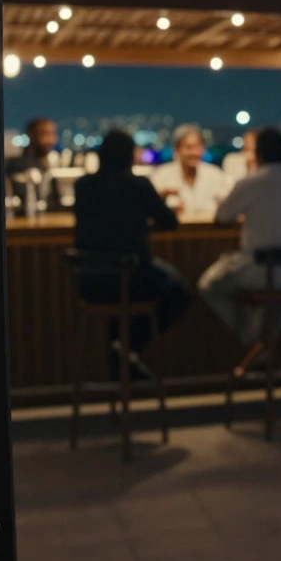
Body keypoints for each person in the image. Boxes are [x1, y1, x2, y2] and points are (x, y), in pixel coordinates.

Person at [198, 127, 281, 373]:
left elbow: (222, 216)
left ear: (258, 154)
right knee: (278, 295)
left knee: (209, 285)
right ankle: (263, 344)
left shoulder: (251, 182)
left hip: (262, 271)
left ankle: (252, 337)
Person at [74, 130, 191, 377]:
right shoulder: (138, 185)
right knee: (179, 290)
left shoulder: (83, 186)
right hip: (134, 279)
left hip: (89, 282)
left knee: (121, 285)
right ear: (129, 156)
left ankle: (120, 351)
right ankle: (130, 346)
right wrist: (143, 222)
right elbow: (170, 221)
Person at [149, 124, 230, 216]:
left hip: (209, 228)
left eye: (197, 147)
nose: (194, 153)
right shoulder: (161, 175)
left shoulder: (216, 175)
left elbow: (228, 205)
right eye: (188, 147)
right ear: (177, 150)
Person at [6, 117, 69, 212]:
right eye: (45, 134)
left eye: (53, 134)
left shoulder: (52, 163)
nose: (52, 140)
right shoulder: (18, 166)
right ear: (31, 135)